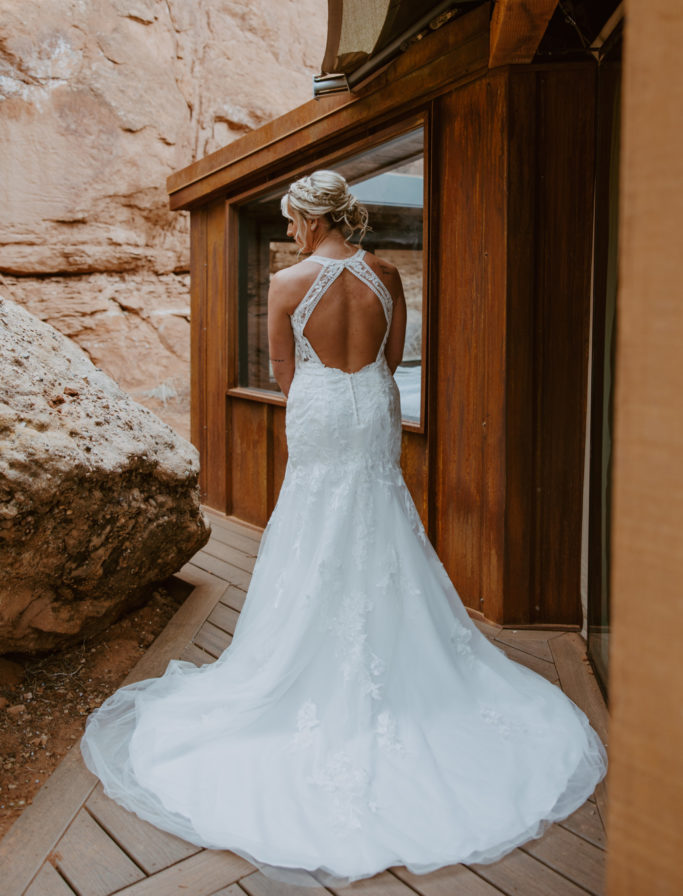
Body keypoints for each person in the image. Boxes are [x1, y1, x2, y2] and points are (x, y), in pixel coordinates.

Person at [81, 170, 608, 889]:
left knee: (315, 519)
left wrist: (314, 404)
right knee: (380, 512)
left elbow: (281, 367)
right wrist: (361, 390)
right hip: (375, 401)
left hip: (323, 406)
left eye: (293, 218)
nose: (291, 228)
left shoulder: (289, 281)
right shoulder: (386, 271)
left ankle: (305, 648)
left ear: (308, 218)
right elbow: (392, 357)